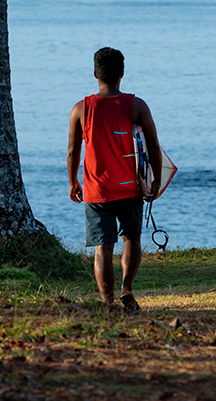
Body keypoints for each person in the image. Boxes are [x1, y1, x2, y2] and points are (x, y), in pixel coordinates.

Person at [67, 47, 162, 312]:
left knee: (102, 247)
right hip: (129, 187)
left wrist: (73, 181)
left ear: (95, 73)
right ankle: (126, 289)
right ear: (122, 73)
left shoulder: (80, 109)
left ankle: (107, 301)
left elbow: (73, 150)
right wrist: (154, 179)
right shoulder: (136, 105)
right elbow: (153, 145)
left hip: (96, 189)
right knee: (131, 238)